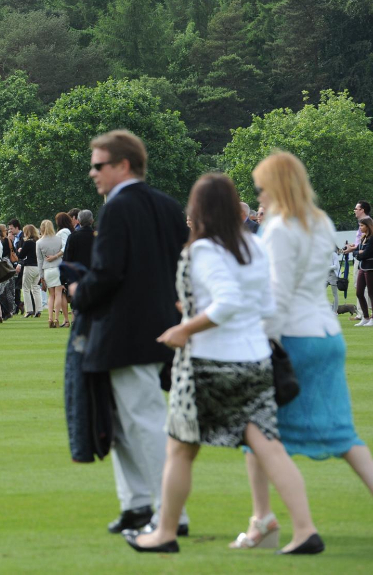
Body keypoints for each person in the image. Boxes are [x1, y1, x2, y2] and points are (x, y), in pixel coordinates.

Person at [127, 173, 321, 555]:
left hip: (206, 363)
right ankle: (305, 529)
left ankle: (164, 532)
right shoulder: (253, 247)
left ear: (197, 209)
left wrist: (186, 327)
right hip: (255, 359)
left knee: (181, 448)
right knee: (269, 445)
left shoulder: (201, 250)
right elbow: (262, 305)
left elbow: (227, 301)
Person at [231, 152, 373, 550]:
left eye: (261, 187)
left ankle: (270, 521)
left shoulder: (278, 228)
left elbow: (276, 295)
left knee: (257, 432)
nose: (259, 195)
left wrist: (257, 343)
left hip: (293, 337)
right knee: (344, 436)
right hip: (326, 334)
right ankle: (262, 519)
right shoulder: (320, 220)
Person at [68, 129, 190, 536]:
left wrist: (77, 292)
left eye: (99, 165)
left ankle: (170, 512)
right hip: (159, 324)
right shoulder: (169, 205)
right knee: (120, 418)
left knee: (143, 418)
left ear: (123, 165)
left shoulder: (118, 208)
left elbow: (107, 274)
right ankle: (137, 504)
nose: (92, 173)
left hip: (125, 328)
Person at [36, 221, 64, 328]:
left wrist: (41, 276)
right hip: (59, 267)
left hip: (47, 269)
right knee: (58, 294)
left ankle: (50, 318)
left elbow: (39, 260)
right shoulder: (58, 239)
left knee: (51, 295)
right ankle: (56, 318)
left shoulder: (39, 242)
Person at [353, 218, 373, 327]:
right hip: (362, 267)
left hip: (370, 268)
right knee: (359, 292)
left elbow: (366, 254)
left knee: (371, 293)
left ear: (368, 226)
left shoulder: (371, 238)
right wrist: (358, 253)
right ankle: (365, 317)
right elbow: (356, 252)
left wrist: (360, 253)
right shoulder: (363, 238)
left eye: (362, 226)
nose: (360, 228)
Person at [18, 224, 42, 318]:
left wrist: (20, 250)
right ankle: (39, 309)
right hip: (38, 267)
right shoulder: (38, 242)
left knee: (26, 288)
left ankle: (29, 310)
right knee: (36, 288)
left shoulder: (28, 243)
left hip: (29, 267)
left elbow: (21, 256)